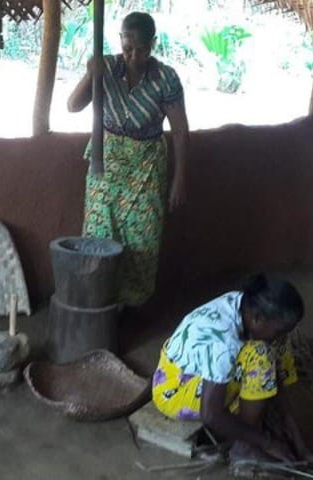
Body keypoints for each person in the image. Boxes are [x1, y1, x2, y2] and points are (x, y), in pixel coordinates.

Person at [67, 12, 190, 307]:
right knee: (100, 231)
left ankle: (129, 305)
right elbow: (72, 106)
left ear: (153, 44)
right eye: (127, 48)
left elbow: (181, 132)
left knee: (142, 236)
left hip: (147, 166)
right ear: (120, 42)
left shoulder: (166, 78)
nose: (134, 56)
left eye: (142, 49)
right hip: (105, 164)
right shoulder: (107, 66)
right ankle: (99, 299)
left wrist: (179, 179)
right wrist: (90, 74)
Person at [152, 273, 311, 465]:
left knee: (273, 348)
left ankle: (249, 430)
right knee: (260, 355)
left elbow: (278, 381)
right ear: (257, 319)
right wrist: (266, 442)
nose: (281, 336)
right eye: (278, 331)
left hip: (201, 376)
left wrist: (298, 440)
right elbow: (211, 415)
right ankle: (243, 448)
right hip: (176, 391)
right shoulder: (222, 339)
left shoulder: (247, 304)